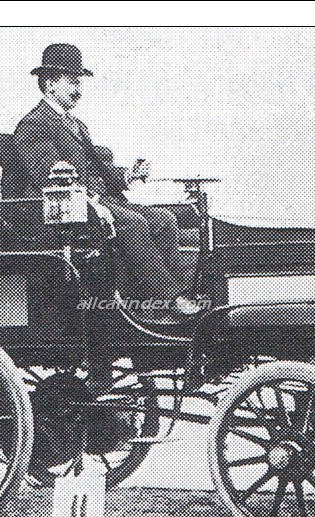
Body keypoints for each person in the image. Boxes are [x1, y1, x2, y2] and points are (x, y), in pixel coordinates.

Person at [13, 43, 201, 320]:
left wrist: (128, 174)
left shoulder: (76, 124)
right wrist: (92, 203)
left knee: (165, 219)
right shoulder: (34, 123)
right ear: (50, 83)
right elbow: (50, 176)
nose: (78, 90)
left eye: (79, 83)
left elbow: (97, 169)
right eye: (72, 82)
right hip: (67, 211)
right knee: (134, 223)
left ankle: (157, 305)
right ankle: (171, 299)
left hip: (100, 201)